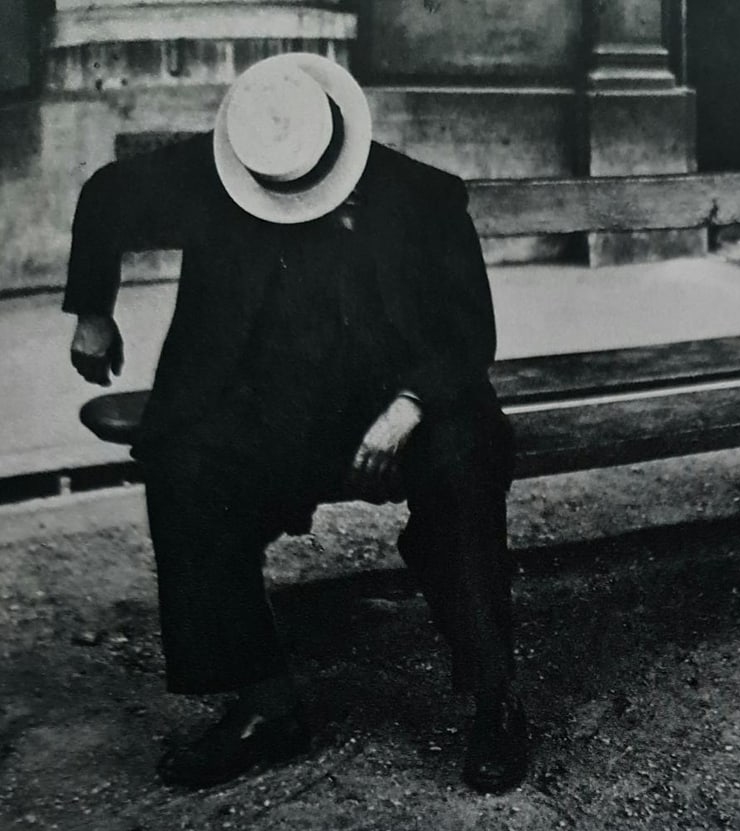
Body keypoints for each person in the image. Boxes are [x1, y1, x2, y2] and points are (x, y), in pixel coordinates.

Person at [63, 53, 528, 794]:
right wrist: (93, 310)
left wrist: (406, 407)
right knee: (185, 465)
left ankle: (494, 699)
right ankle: (265, 703)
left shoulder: (421, 195)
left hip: (406, 402)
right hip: (277, 399)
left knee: (466, 465)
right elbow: (110, 192)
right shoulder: (223, 166)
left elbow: (468, 332)